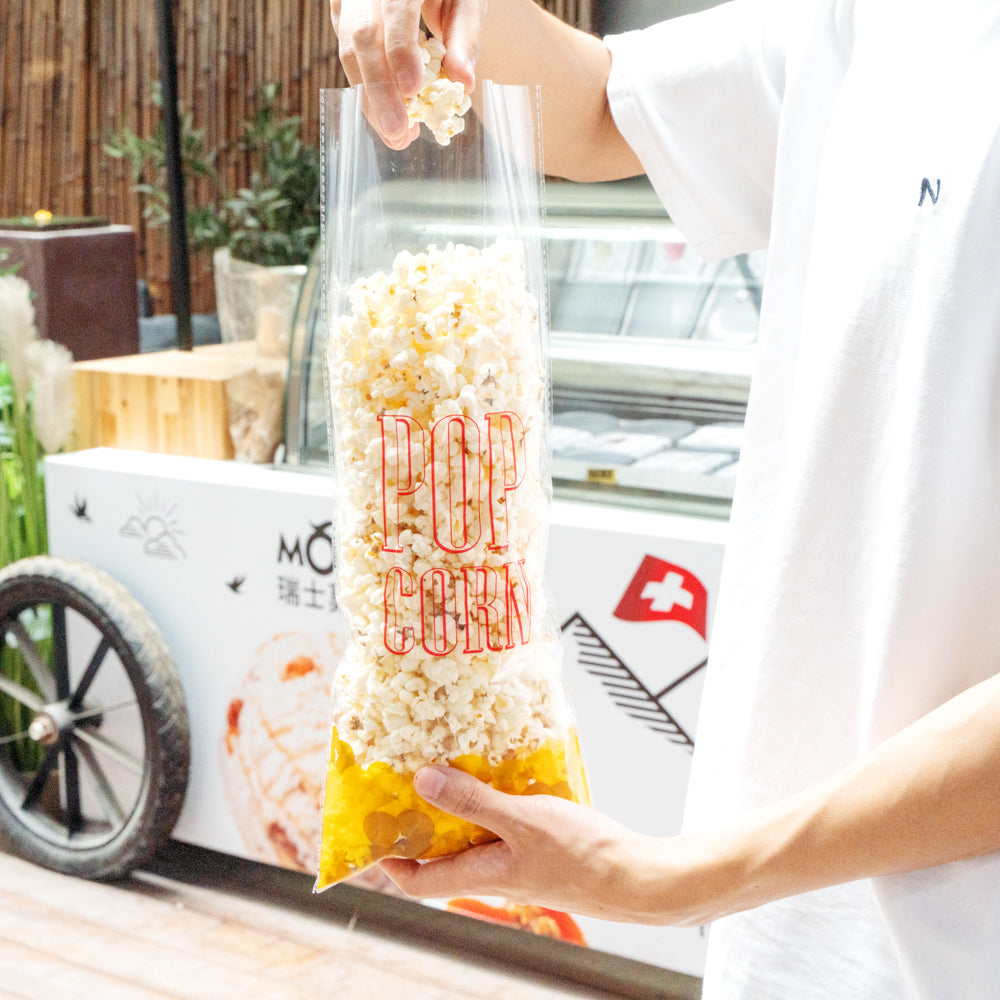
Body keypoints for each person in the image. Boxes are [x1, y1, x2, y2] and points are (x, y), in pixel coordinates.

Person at [328, 1, 1000, 997]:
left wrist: (668, 879)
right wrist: (445, 10)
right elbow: (600, 107)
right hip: (787, 944)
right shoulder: (878, 19)